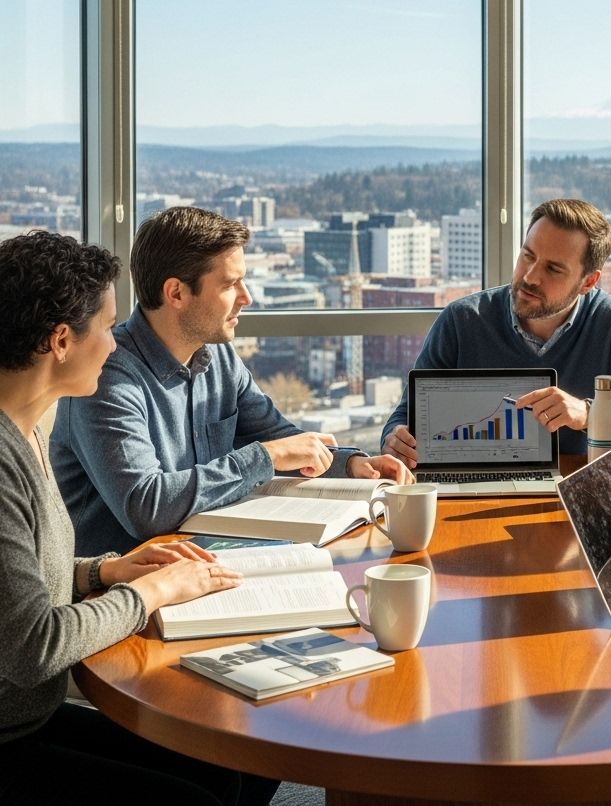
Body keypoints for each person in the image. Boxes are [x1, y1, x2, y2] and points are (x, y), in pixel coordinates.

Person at [0, 230, 288, 806]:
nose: (115, 339)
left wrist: (102, 570)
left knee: (223, 766)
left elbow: (16, 580)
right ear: (59, 341)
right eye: (105, 325)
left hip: (27, 717)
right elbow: (31, 648)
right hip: (10, 734)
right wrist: (146, 591)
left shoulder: (24, 430)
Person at [51, 207, 412, 556]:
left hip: (208, 562)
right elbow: (148, 506)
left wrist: (349, 465)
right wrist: (265, 457)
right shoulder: (106, 379)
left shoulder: (217, 356)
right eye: (230, 284)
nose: (247, 297)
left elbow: (279, 437)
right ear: (175, 293)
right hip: (124, 594)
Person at [381, 199, 611, 465]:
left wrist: (591, 417)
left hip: (580, 497)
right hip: (469, 491)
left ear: (588, 282)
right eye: (528, 255)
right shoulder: (462, 320)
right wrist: (394, 440)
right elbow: (406, 417)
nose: (530, 276)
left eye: (553, 269)